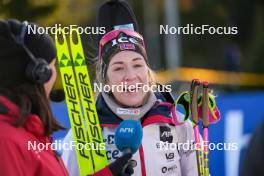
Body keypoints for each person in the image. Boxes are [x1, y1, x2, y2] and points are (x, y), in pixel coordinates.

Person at [62, 29, 198, 176]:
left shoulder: (179, 125)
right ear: (105, 79)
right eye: (119, 68)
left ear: (147, 72)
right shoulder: (84, 134)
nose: (130, 76)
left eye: (138, 65)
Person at [0, 19, 68, 176]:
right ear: (39, 73)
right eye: (52, 67)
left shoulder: (27, 129)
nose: (56, 74)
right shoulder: (6, 141)